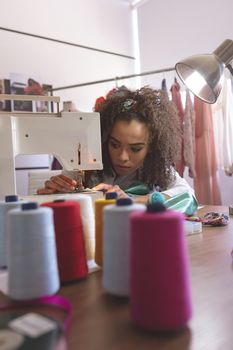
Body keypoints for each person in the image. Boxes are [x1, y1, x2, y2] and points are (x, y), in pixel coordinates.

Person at [37, 86, 195, 206]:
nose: (122, 157)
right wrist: (55, 195)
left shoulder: (156, 167)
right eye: (114, 144)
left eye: (135, 148)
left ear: (151, 147)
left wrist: (135, 200)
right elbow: (65, 194)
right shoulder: (87, 159)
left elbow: (188, 195)